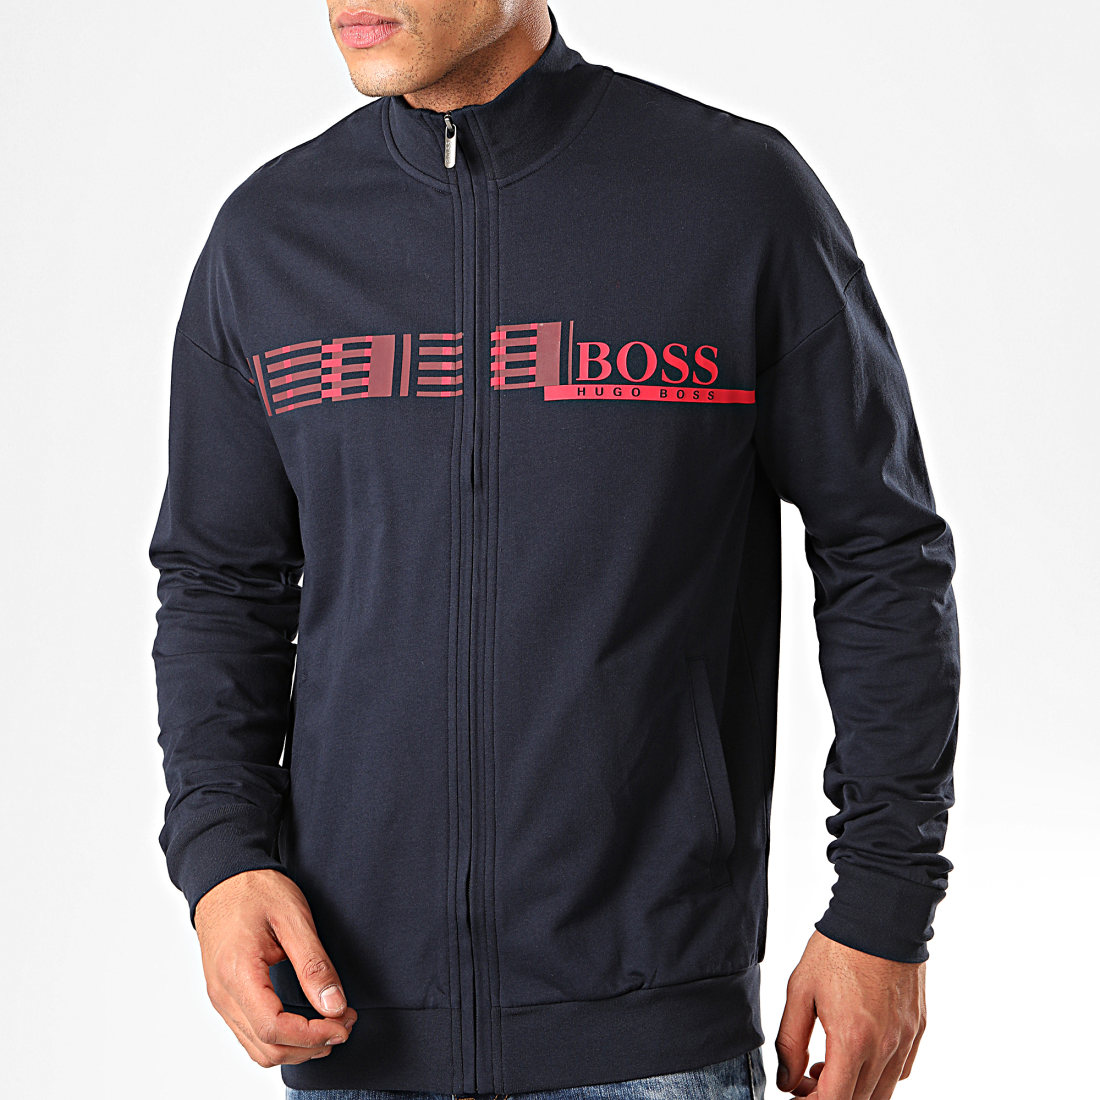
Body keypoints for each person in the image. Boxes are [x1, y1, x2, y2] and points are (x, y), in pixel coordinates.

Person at [147, 4, 961, 1099]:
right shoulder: (272, 237)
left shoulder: (732, 199)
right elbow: (220, 583)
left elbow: (882, 552)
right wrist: (220, 859)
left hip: (649, 1035)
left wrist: (882, 909)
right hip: (349, 1028)